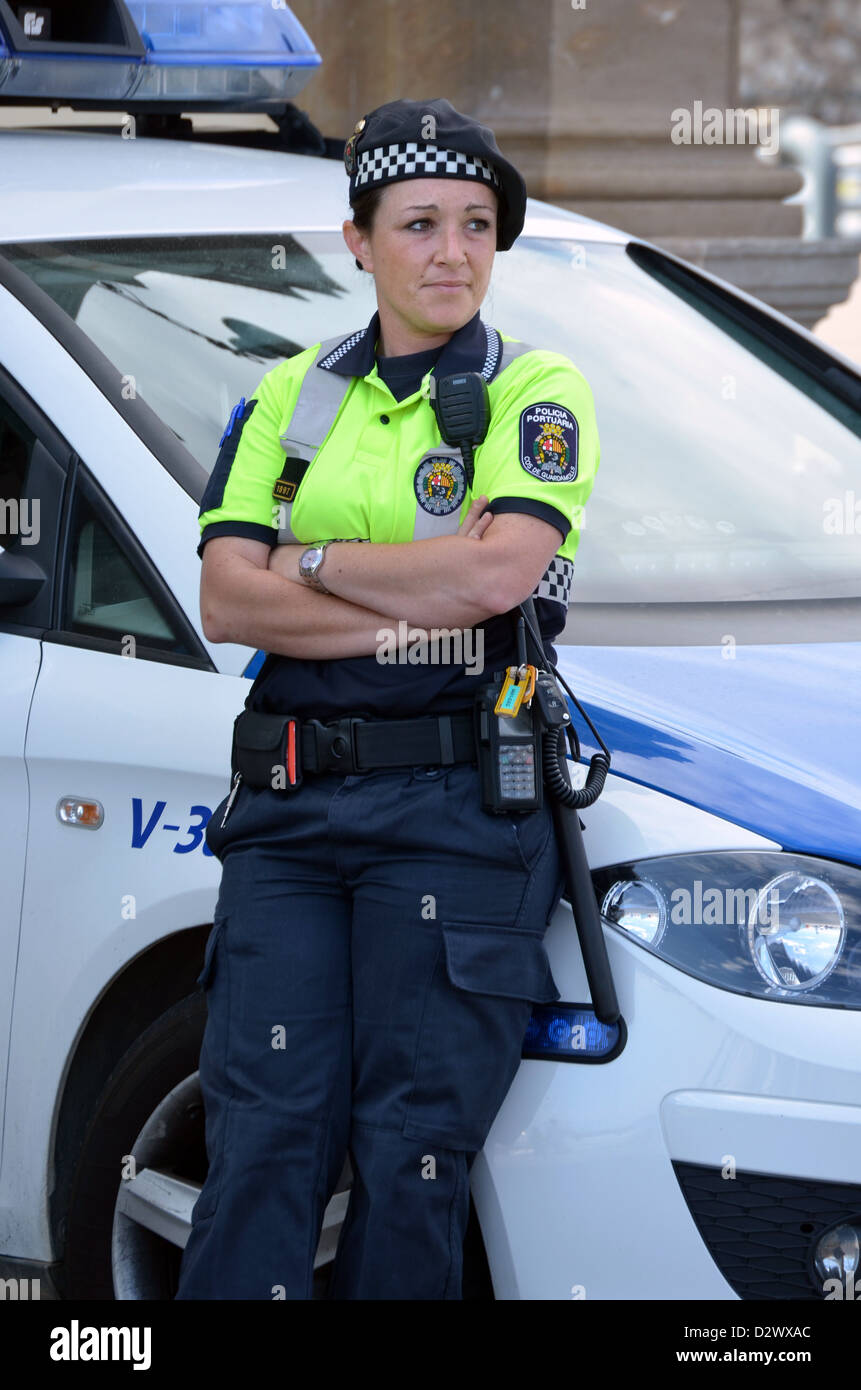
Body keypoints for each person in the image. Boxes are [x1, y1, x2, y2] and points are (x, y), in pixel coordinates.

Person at [175, 96, 601, 1301]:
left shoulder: (536, 389)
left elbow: (498, 571)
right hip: (292, 818)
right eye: (419, 224)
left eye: (477, 224)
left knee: (411, 1161)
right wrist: (416, 594)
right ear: (358, 240)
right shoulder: (287, 396)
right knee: (262, 1142)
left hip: (455, 815)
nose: (454, 252)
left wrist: (307, 562)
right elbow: (225, 602)